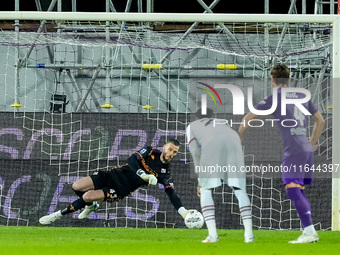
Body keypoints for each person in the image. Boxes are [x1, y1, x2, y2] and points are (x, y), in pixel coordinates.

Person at [238, 64, 325, 244]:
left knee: (292, 190)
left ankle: (309, 232)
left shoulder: (274, 97)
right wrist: (312, 143)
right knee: (299, 190)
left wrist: (238, 142)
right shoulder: (302, 95)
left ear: (271, 79)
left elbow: (246, 119)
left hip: (293, 148)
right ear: (289, 79)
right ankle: (308, 231)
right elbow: (320, 121)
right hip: (307, 149)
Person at [39, 139, 192, 225]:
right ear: (164, 147)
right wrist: (142, 174)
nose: (171, 154)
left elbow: (171, 193)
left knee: (86, 197)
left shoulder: (165, 174)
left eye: (175, 152)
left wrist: (183, 212)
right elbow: (132, 159)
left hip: (120, 189)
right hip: (112, 175)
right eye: (170, 149)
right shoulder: (150, 151)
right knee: (76, 186)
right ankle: (92, 207)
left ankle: (56, 215)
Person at [186, 108, 254, 243]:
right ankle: (249, 235)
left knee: (206, 190)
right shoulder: (223, 123)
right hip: (234, 143)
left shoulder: (192, 126)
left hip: (211, 145)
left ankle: (212, 236)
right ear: (212, 116)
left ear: (196, 117)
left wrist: (200, 178)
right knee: (240, 190)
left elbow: (195, 151)